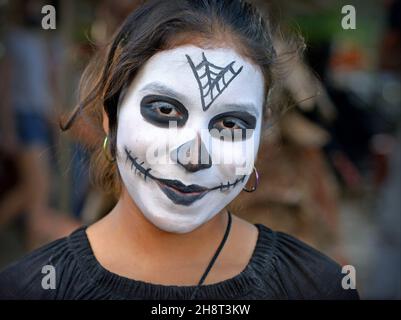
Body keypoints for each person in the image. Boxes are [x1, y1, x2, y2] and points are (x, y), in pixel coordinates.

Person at [0, 0, 359, 300]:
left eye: (230, 125)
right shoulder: (29, 290)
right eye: (166, 111)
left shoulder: (317, 287)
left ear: (260, 135)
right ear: (111, 115)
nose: (193, 156)